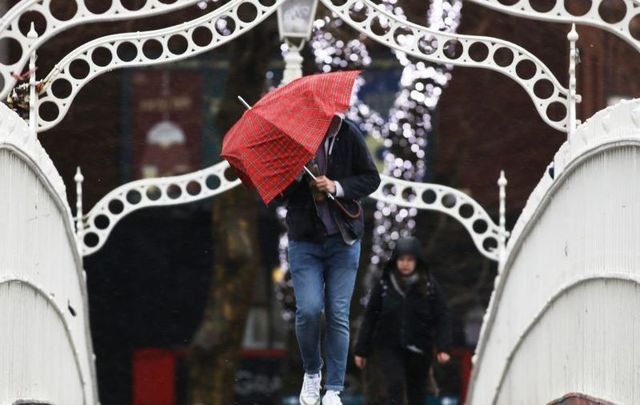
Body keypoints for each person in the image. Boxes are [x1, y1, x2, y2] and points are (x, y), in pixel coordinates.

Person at [281, 114, 381, 405]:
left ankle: (334, 388)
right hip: (305, 242)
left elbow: (370, 178)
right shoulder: (294, 138)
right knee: (309, 310)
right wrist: (299, 177)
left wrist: (336, 186)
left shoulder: (349, 135)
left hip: (343, 240)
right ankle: (312, 373)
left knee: (338, 314)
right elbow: (279, 195)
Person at [353, 237, 452, 405]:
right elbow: (371, 316)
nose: (405, 264)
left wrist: (443, 347)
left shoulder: (429, 286)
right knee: (395, 385)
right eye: (402, 259)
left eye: (410, 260)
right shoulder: (384, 285)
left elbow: (442, 316)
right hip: (389, 345)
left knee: (417, 391)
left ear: (417, 262)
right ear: (395, 261)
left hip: (420, 346)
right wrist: (361, 350)